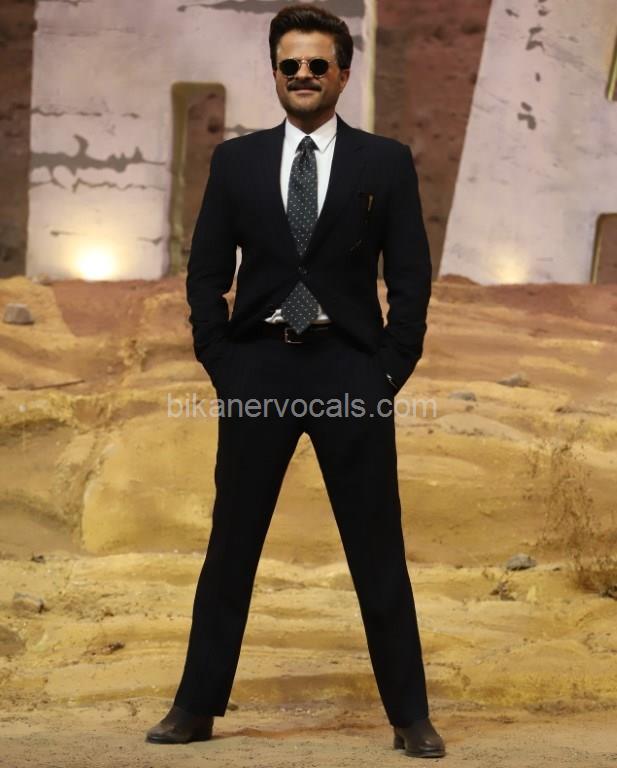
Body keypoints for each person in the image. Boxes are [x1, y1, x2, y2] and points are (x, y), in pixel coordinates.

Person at [146, 3, 445, 759]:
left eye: (317, 64)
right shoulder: (236, 162)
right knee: (232, 545)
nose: (302, 74)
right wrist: (222, 360)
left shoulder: (386, 161)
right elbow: (206, 271)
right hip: (259, 368)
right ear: (274, 73)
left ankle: (410, 716)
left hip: (351, 370)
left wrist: (388, 369)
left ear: (342, 74)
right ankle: (194, 707)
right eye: (290, 64)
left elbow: (410, 275)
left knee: (377, 548)